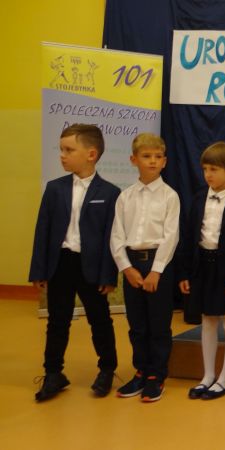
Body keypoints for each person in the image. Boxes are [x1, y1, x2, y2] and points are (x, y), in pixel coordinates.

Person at [29, 123, 120, 401]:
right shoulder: (54, 189)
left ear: (91, 154)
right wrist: (39, 270)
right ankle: (53, 373)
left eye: (69, 150)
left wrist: (108, 276)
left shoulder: (110, 192)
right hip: (61, 264)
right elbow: (42, 231)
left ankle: (107, 369)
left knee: (99, 319)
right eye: (61, 150)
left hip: (91, 266)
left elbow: (111, 238)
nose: (63, 155)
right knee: (57, 320)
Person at [178, 142, 225, 400]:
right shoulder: (199, 197)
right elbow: (189, 235)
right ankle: (208, 375)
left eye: (214, 169)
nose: (208, 175)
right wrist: (185, 272)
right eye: (205, 169)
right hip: (202, 266)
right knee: (207, 320)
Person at [110, 133, 180, 402]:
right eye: (146, 156)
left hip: (158, 264)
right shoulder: (125, 197)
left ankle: (156, 375)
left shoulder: (170, 196)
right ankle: (141, 371)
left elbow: (171, 237)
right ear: (133, 160)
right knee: (137, 324)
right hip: (132, 265)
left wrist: (156, 271)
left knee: (159, 324)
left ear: (165, 161)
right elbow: (116, 236)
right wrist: (126, 268)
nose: (152, 161)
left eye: (158, 157)